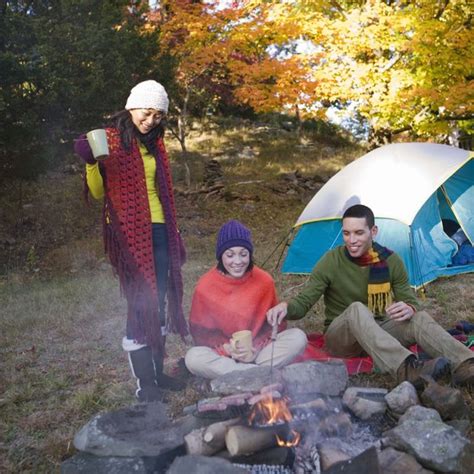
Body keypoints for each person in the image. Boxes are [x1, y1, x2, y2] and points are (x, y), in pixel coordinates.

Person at [266, 204, 474, 388]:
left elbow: (408, 299)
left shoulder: (391, 260)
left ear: (373, 231)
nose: (352, 240)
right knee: (357, 308)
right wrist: (286, 307)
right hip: (342, 339)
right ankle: (406, 369)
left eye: (358, 233)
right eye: (346, 233)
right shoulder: (331, 260)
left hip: (379, 330)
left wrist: (409, 307)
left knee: (418, 318)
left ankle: (465, 365)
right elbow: (304, 302)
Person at [74, 80, 188, 402]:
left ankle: (158, 373)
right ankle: (146, 386)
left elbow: (162, 193)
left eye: (157, 115)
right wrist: (91, 162)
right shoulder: (107, 139)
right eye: (146, 112)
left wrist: (174, 234)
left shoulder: (157, 144)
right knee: (141, 302)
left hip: (161, 229)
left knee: (160, 300)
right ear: (131, 107)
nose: (150, 120)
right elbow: (98, 193)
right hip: (128, 232)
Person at [185, 220, 307, 379]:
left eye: (243, 254)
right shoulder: (205, 286)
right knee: (193, 358)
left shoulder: (264, 281)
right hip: (224, 356)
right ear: (220, 256)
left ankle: (246, 374)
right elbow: (201, 334)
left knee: (298, 337)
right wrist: (226, 349)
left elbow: (275, 328)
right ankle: (256, 374)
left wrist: (255, 348)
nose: (237, 262)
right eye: (230, 255)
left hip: (259, 352)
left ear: (250, 254)